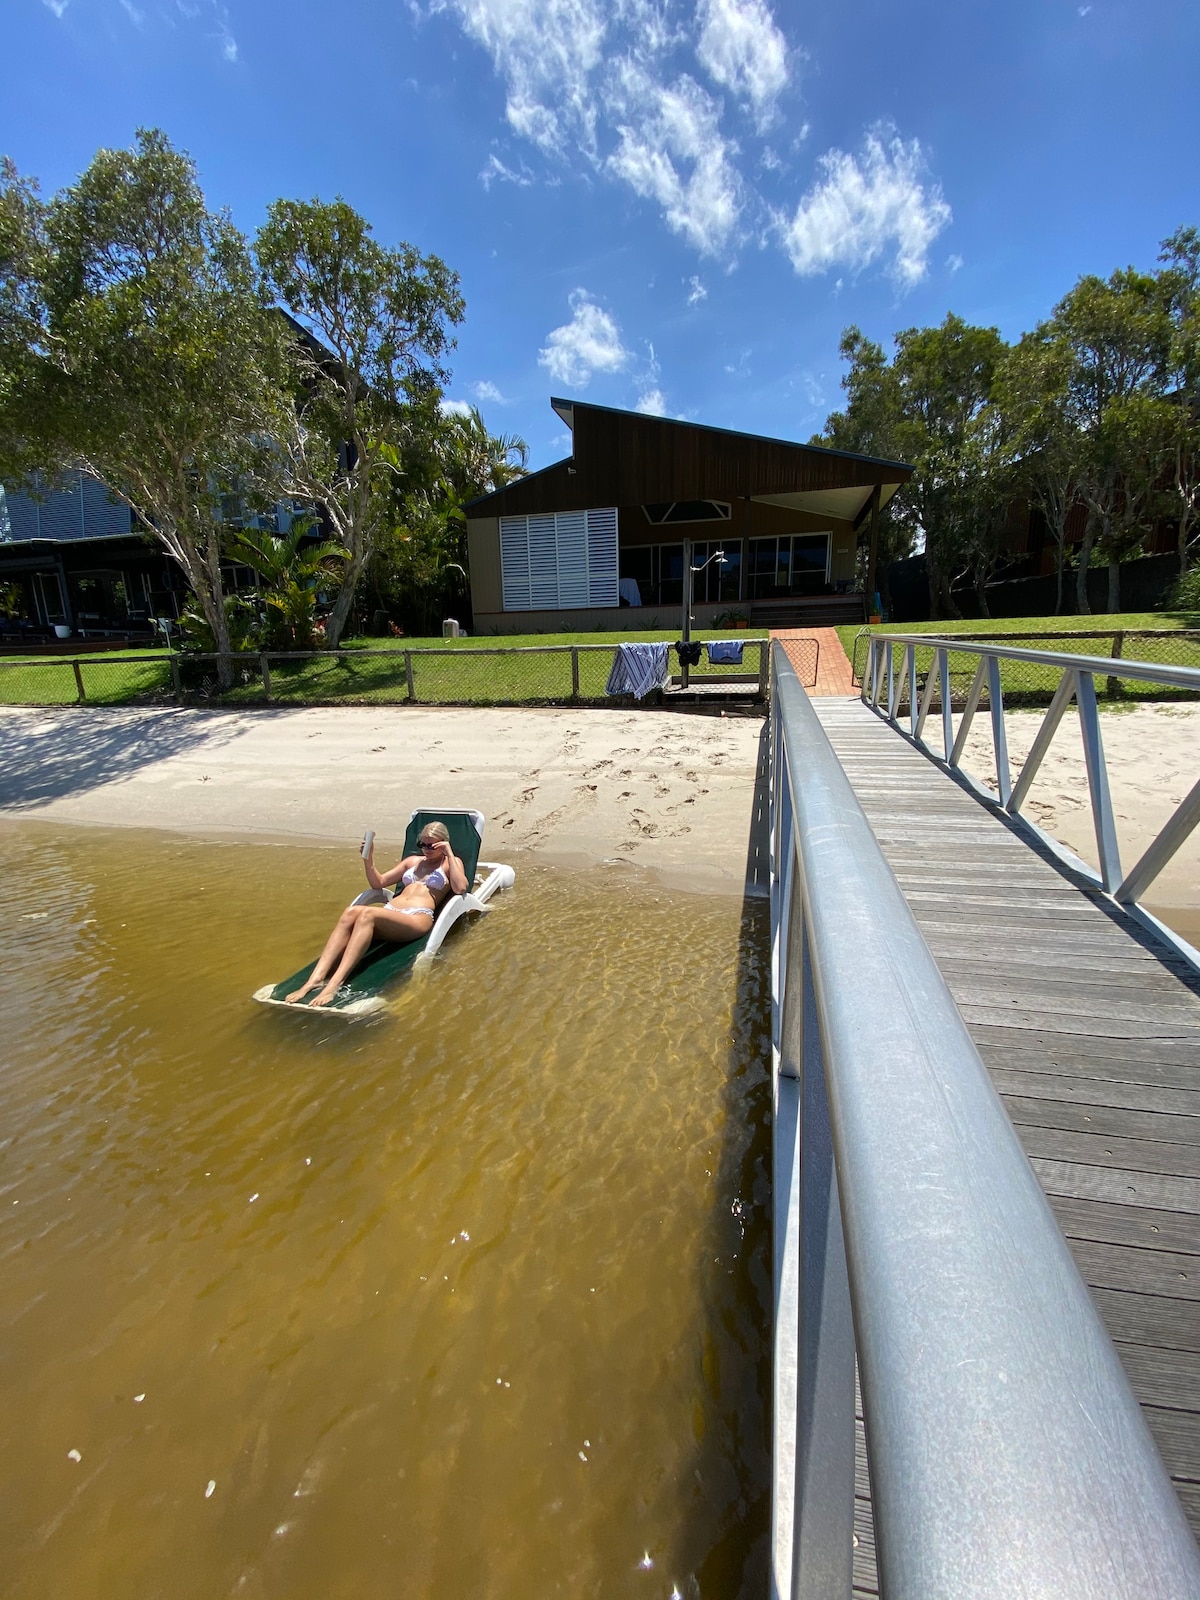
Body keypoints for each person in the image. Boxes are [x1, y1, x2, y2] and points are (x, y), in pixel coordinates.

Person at [286, 820, 468, 1007]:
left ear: (444, 843)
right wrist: (368, 859)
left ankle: (335, 983)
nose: (426, 849)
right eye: (422, 844)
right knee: (351, 912)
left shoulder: (451, 864)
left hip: (417, 917)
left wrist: (449, 853)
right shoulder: (412, 862)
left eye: (432, 845)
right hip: (392, 914)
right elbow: (379, 883)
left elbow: (460, 887)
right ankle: (314, 979)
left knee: (367, 914)